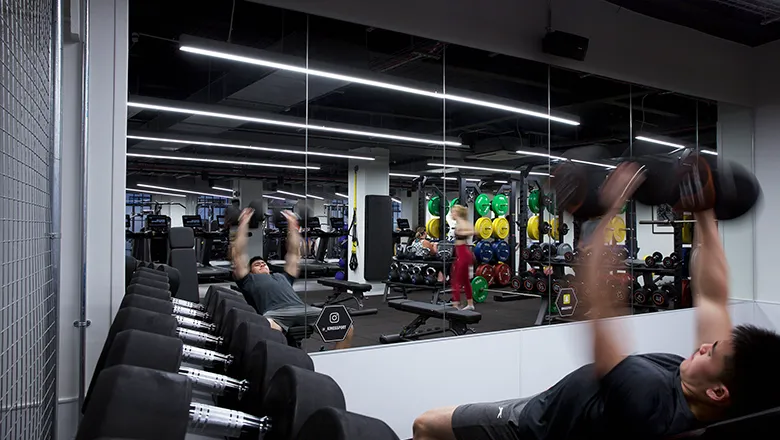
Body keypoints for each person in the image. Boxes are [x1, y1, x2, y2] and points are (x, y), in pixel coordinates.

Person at [412, 162, 780, 440]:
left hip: (535, 423)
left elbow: (600, 309)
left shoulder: (646, 396)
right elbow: (714, 299)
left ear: (718, 392)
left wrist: (605, 213)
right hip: (563, 405)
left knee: (426, 424)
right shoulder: (728, 405)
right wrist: (704, 208)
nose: (701, 346)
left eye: (709, 353)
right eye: (712, 344)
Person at [232, 208, 354, 349]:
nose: (261, 265)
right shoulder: (248, 280)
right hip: (275, 314)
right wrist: (243, 224)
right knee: (265, 332)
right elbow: (238, 254)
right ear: (250, 270)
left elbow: (294, 254)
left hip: (303, 309)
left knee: (346, 326)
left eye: (263, 263)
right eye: (256, 265)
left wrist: (292, 224)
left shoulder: (282, 277)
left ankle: (335, 359)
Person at [450, 205, 475, 311]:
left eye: (453, 212)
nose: (452, 214)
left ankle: (455, 305)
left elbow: (474, 231)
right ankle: (470, 303)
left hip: (464, 253)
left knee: (456, 280)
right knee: (465, 280)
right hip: (461, 253)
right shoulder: (459, 223)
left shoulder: (463, 223)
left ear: (458, 213)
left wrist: (462, 232)